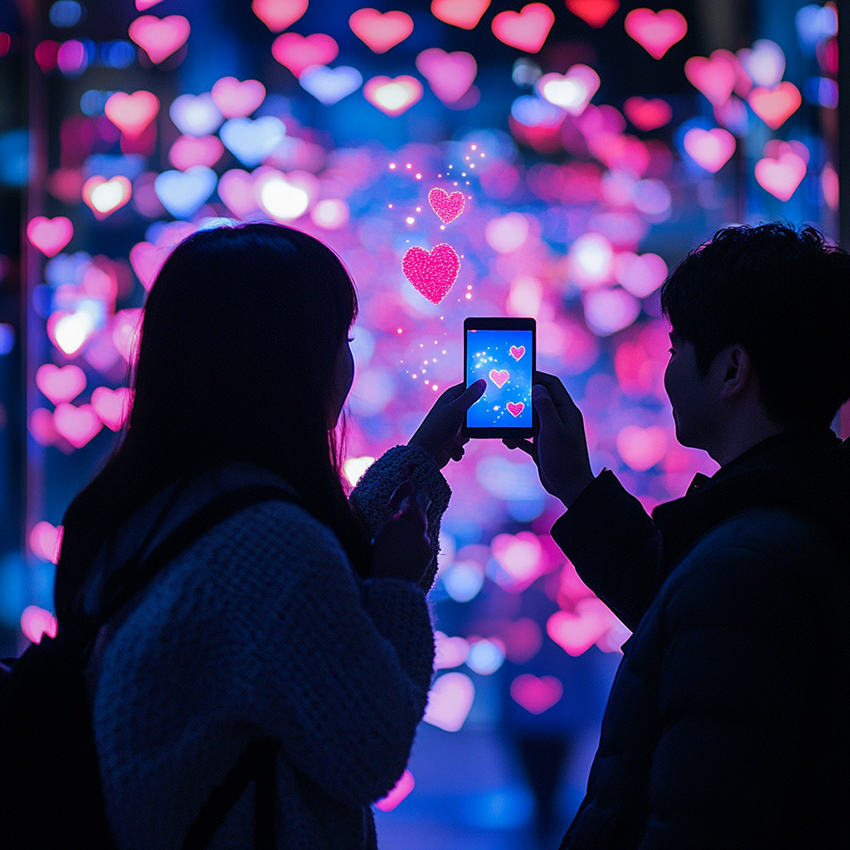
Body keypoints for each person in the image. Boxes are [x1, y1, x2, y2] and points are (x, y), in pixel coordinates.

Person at [54, 222, 485, 849]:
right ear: (289, 361)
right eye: (340, 339)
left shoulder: (131, 510)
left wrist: (419, 459)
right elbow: (369, 750)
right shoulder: (269, 546)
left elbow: (303, 606)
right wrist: (395, 584)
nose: (348, 361)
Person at [505, 223, 850, 849]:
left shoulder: (751, 566)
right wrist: (578, 489)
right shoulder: (795, 508)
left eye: (673, 349)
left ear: (732, 370)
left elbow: (703, 817)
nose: (664, 374)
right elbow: (681, 604)